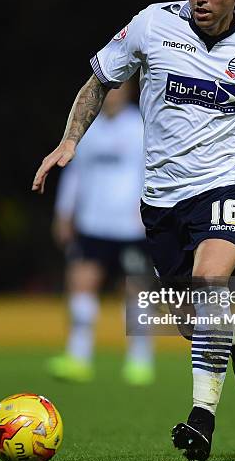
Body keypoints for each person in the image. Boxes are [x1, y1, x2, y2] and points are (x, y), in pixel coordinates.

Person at [33, 0, 235, 461]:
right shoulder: (151, 23)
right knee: (194, 324)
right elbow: (100, 80)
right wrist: (70, 140)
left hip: (229, 185)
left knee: (211, 281)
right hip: (162, 200)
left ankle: (201, 420)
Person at [47, 81, 155, 386]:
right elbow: (74, 173)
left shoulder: (141, 126)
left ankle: (140, 361)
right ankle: (78, 358)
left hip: (131, 226)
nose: (112, 95)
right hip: (92, 223)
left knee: (135, 292)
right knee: (81, 286)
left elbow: (155, 170)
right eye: (108, 89)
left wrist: (152, 211)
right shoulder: (87, 129)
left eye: (118, 88)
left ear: (130, 92)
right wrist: (64, 213)